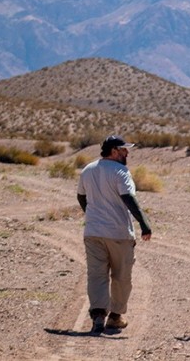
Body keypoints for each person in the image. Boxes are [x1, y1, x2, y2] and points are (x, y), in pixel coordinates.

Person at [77, 135, 153, 334]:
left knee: (96, 275)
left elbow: (81, 196)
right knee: (121, 275)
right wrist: (144, 224)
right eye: (123, 149)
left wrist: (92, 215)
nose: (127, 153)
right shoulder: (121, 172)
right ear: (113, 151)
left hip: (93, 232)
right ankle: (115, 316)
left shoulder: (87, 170)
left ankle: (98, 316)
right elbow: (128, 198)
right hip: (118, 233)